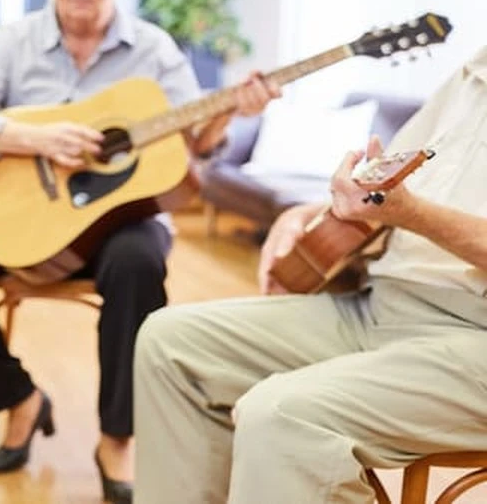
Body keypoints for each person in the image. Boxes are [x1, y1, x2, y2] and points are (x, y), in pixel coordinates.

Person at [0, 0, 278, 501]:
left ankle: (116, 438)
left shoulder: (153, 50)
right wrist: (33, 138)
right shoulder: (15, 41)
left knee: (137, 264)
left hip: (121, 222)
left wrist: (230, 113)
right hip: (28, 220)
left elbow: (195, 147)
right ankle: (19, 398)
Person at [133, 44, 487, 503]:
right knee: (169, 343)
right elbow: (390, 191)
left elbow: (410, 209)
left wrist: (413, 215)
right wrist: (314, 213)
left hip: (473, 338)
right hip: (382, 305)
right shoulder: (471, 73)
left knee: (282, 415)